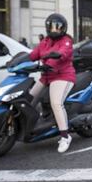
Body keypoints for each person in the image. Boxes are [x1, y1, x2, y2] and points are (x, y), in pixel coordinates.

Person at [29, 13, 76, 153]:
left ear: (64, 28)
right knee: (28, 99)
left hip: (62, 75)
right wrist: (17, 61)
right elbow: (33, 55)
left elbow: (63, 53)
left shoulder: (66, 41)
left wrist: (52, 58)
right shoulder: (45, 42)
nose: (55, 30)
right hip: (46, 76)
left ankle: (65, 136)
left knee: (56, 103)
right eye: (52, 27)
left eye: (58, 27)